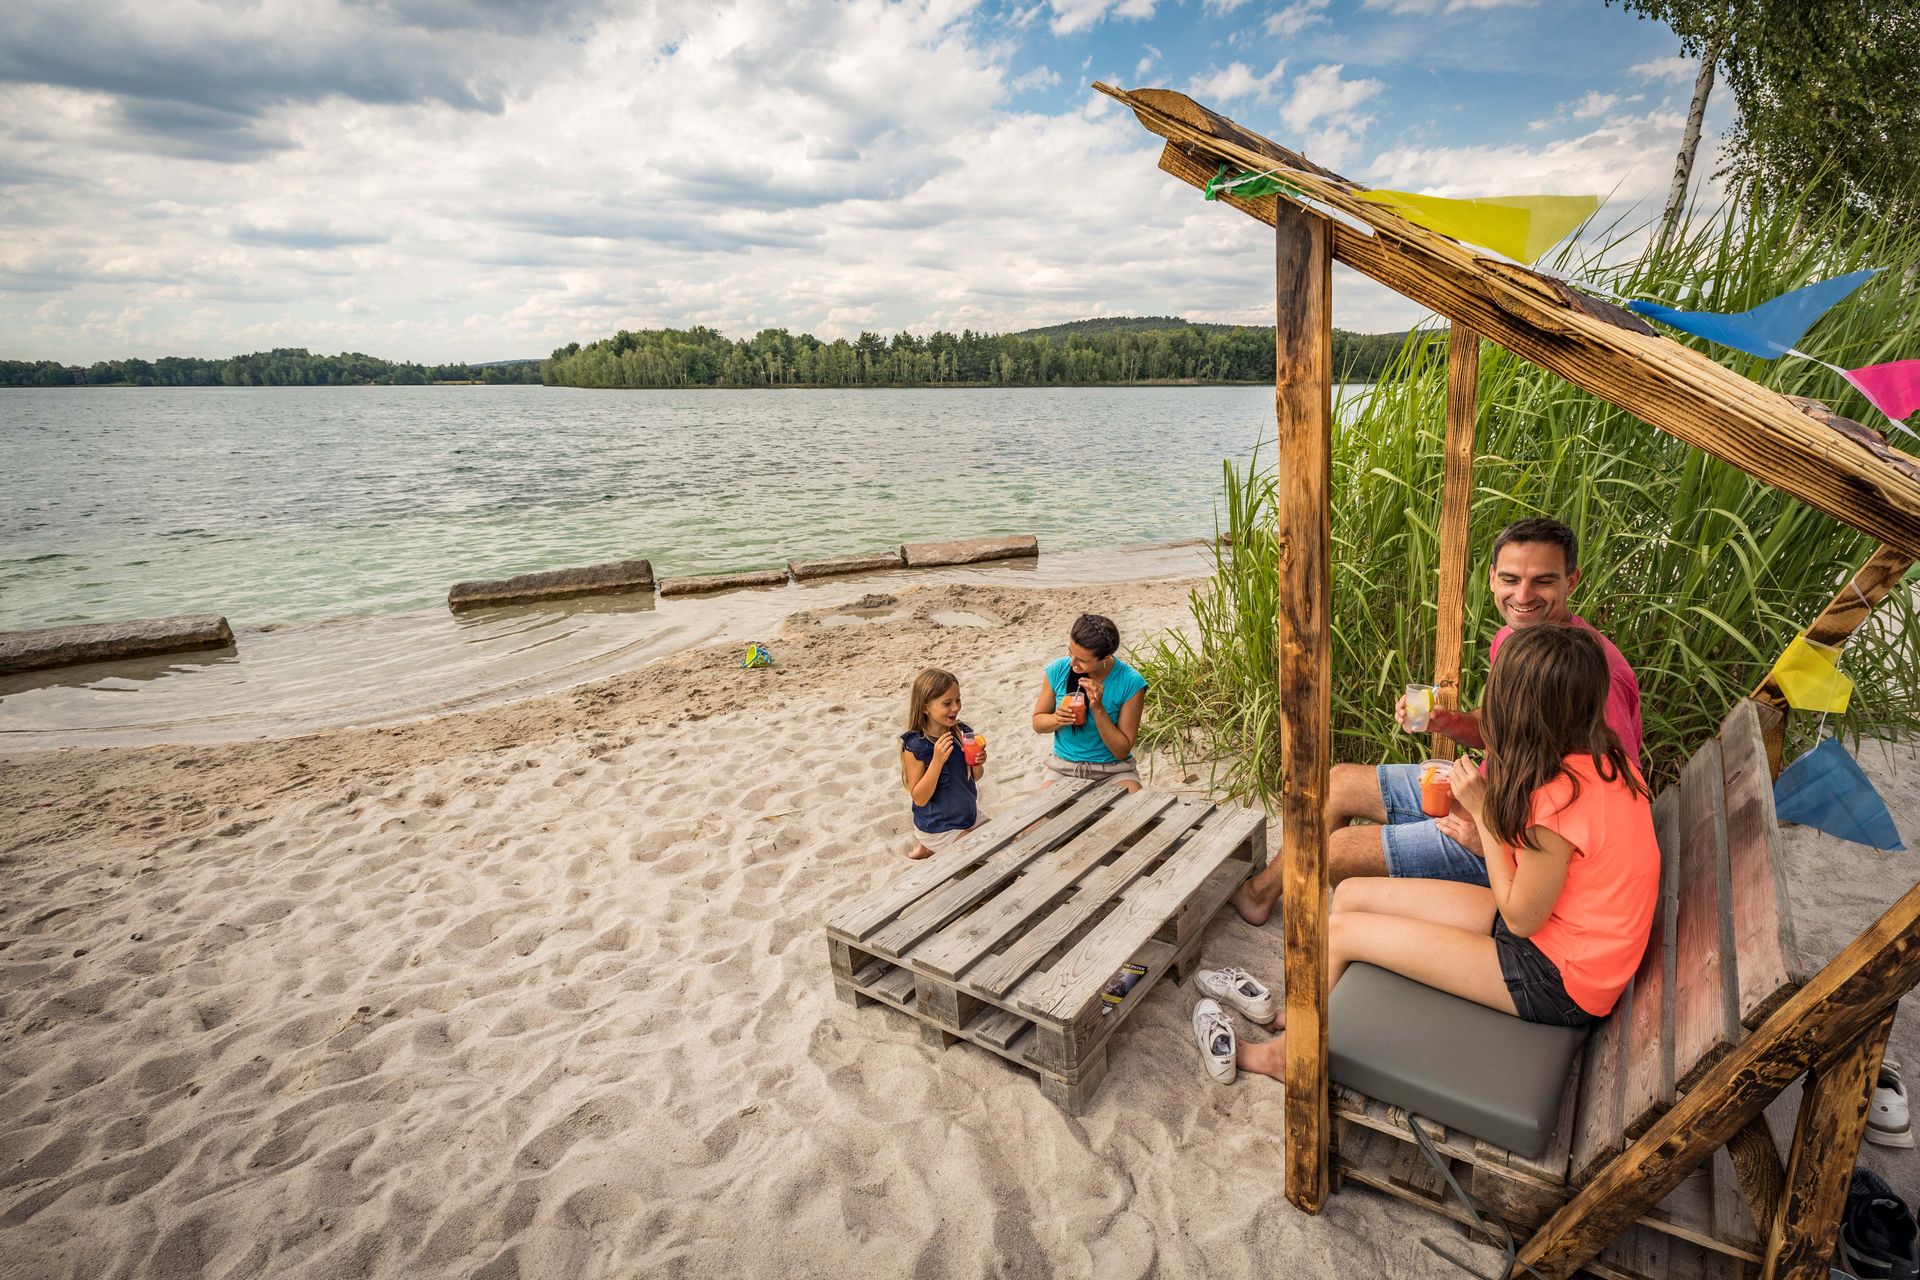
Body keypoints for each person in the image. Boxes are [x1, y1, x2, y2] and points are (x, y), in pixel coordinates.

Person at [1235, 623, 1660, 1081]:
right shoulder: (1599, 760)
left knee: (1339, 933)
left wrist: (1482, 815)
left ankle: (1287, 1056)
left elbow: (1520, 917)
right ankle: (1311, 1015)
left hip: (1556, 977)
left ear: (1523, 711)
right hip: (1560, 933)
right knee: (1355, 893)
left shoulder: (1559, 799)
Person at [1232, 516, 1643, 925]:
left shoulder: (1594, 676)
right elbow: (1513, 726)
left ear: (1572, 581)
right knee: (1337, 782)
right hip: (1484, 796)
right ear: (1493, 577)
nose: (1523, 595)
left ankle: (1355, 926)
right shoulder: (1515, 639)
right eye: (1512, 578)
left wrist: (1491, 833)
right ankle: (1260, 894)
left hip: (1511, 847)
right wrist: (1449, 724)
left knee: (1338, 850)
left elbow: (1604, 797)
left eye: (1543, 581)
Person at [1032, 613, 1147, 793]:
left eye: (1082, 661)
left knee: (1131, 815)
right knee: (1039, 818)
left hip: (1114, 771)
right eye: (1070, 651)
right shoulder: (1058, 669)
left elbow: (1121, 751)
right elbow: (1038, 724)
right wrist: (1057, 719)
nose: (1072, 663)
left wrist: (1098, 709)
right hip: (1064, 768)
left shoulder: (1131, 682)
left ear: (1105, 658)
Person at [900, 667, 986, 859]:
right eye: (947, 703)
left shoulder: (961, 732)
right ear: (925, 707)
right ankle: (928, 843)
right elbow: (919, 798)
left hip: (967, 815)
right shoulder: (916, 746)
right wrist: (937, 762)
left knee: (1006, 839)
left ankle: (927, 848)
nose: (955, 708)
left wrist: (978, 762)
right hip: (938, 826)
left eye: (958, 700)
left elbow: (976, 776)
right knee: (983, 855)